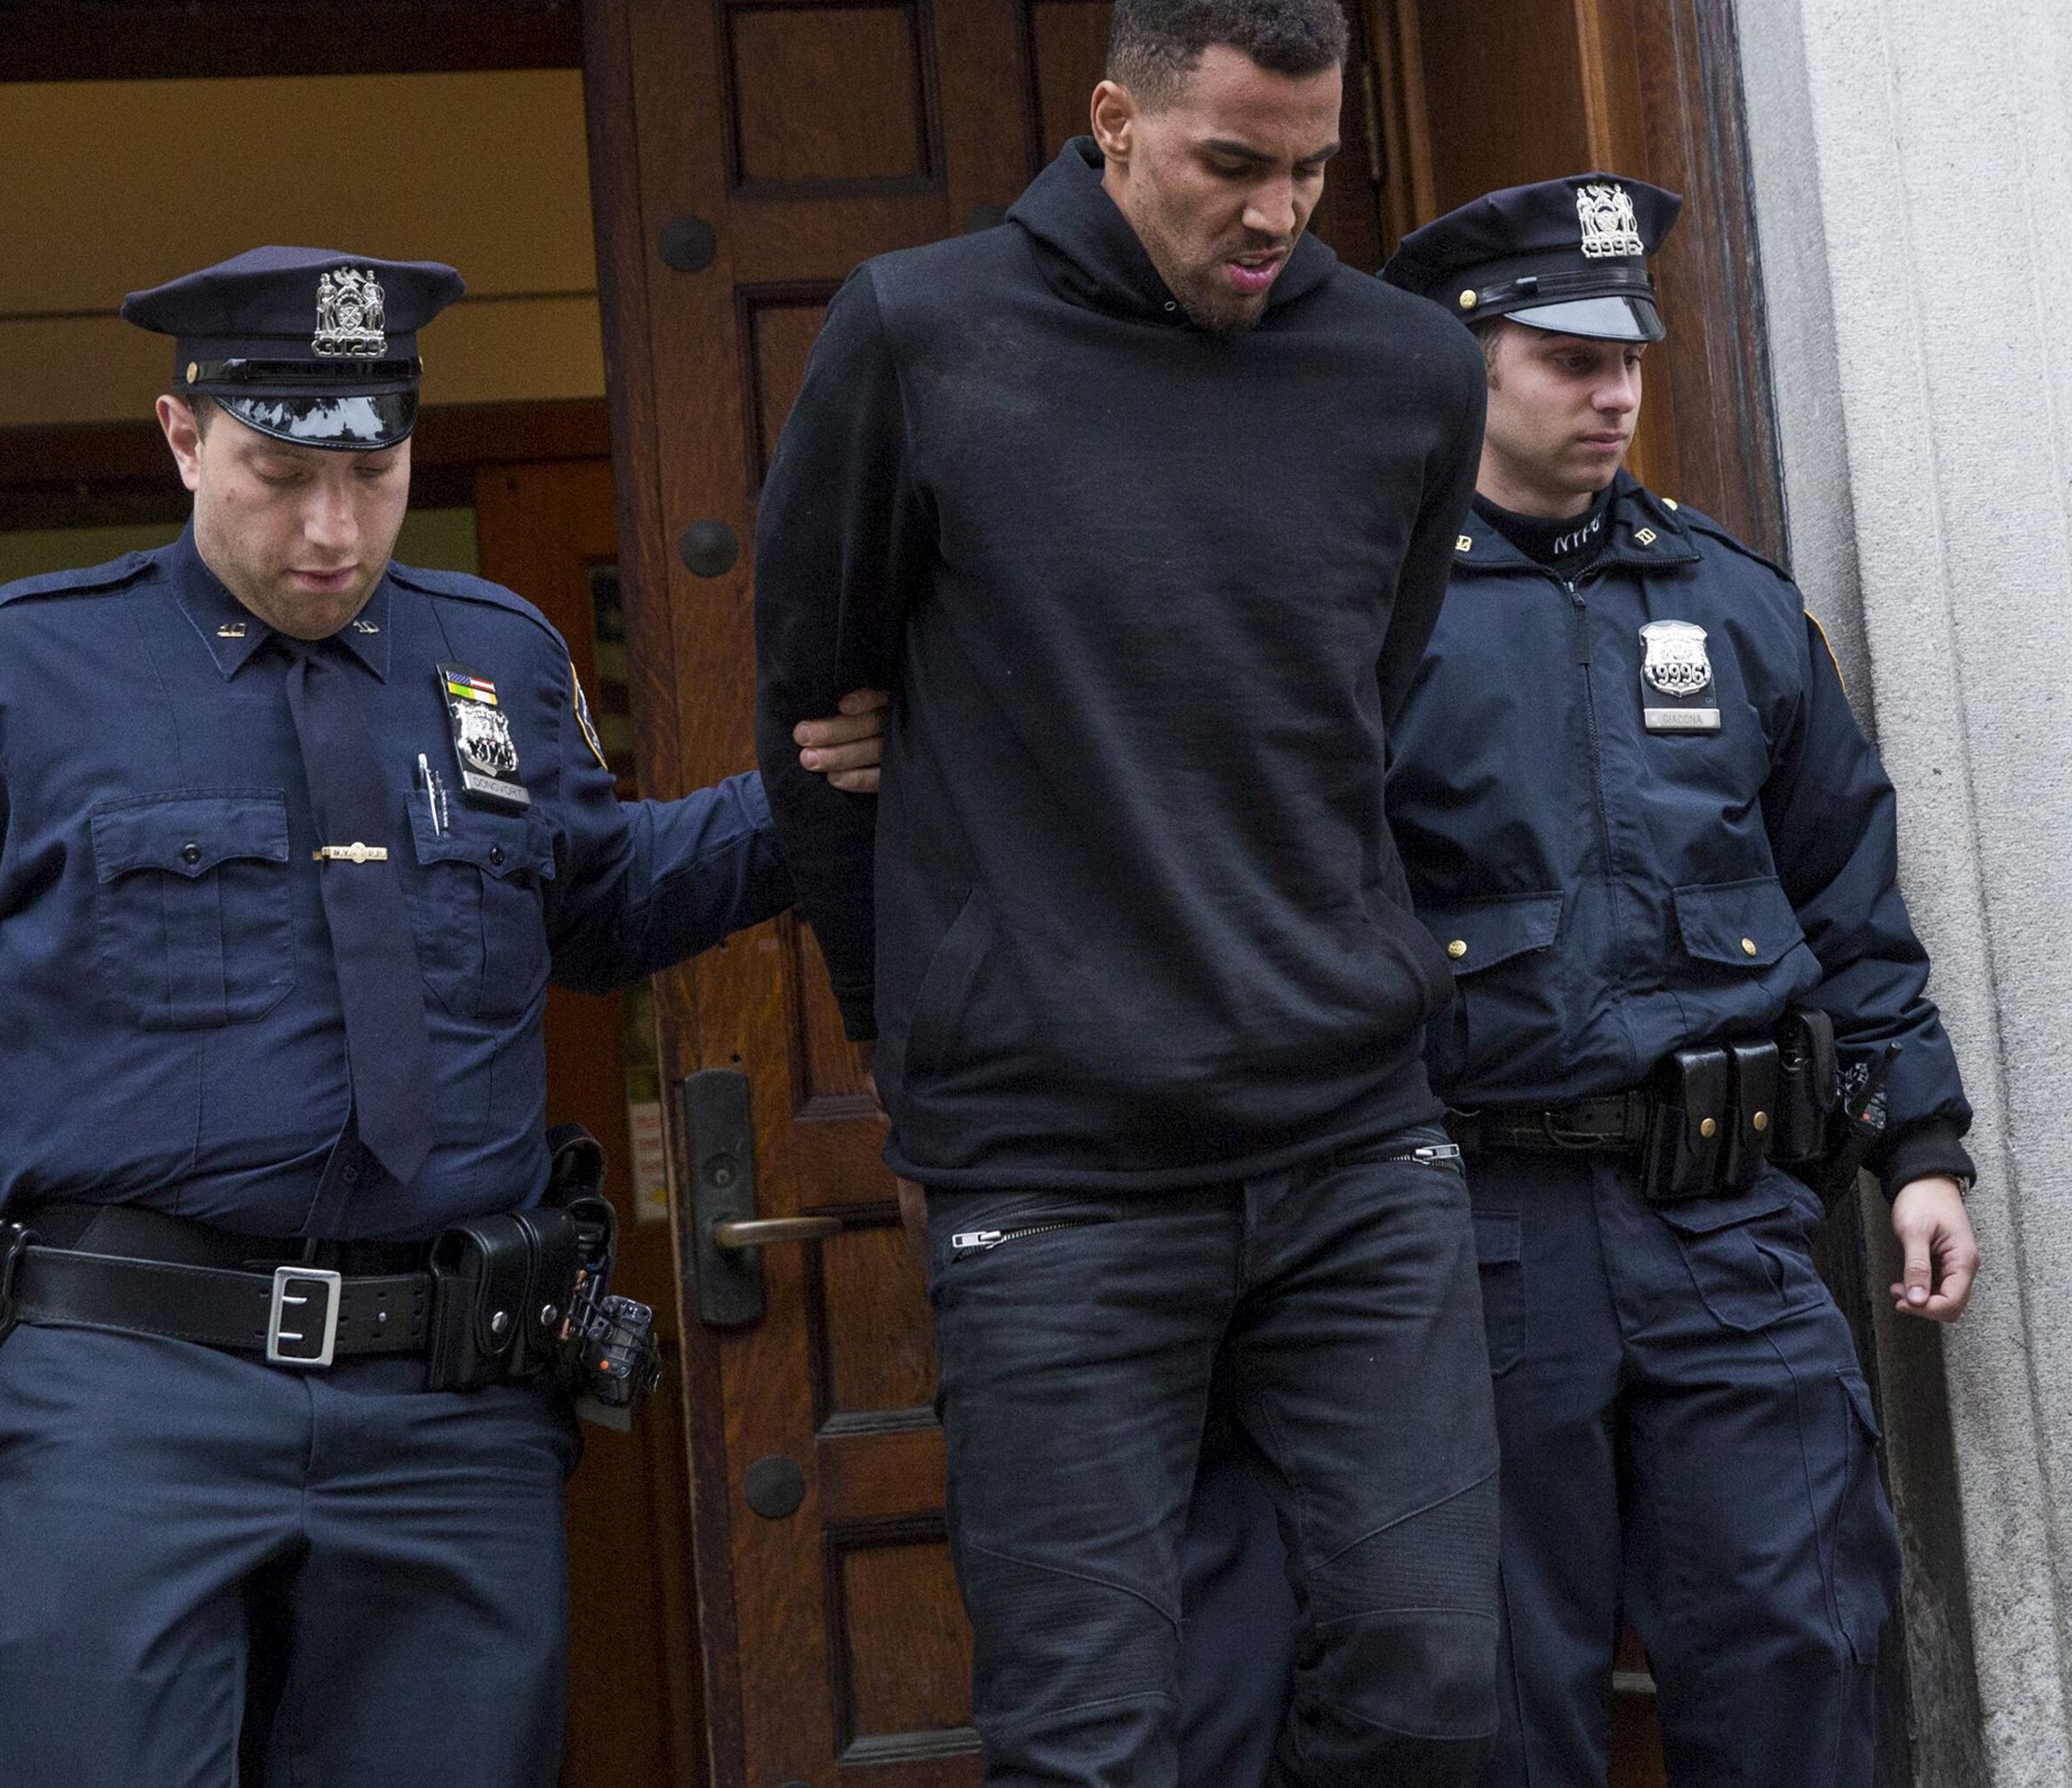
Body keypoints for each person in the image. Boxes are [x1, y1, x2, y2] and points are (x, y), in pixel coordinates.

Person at [798, 172, 1982, 1786]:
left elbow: (1846, 886)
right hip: (1478, 1218)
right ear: (1462, 358)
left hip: (1731, 1220)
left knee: (1801, 1641)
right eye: (1568, 357)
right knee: (1492, 1690)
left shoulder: (1731, 599)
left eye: (1629, 357)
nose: (1613, 391)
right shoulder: (1357, 615)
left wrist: (1919, 1142)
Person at [0, 247, 792, 1786]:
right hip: (125, 1401)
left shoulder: (498, 659)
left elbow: (604, 905)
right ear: (182, 435)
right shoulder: (20, 670)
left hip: (449, 1411)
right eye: (280, 473)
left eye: (376, 470)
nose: (333, 528)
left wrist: (825, 791)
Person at [749, 0, 1501, 1787]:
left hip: (1356, 1139)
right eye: (1231, 162)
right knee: (1084, 1735)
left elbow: (1353, 700)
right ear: (1114, 118)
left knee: (1433, 1678)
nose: (1277, 209)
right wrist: (918, 1048)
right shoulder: (919, 332)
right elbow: (814, 719)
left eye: (1312, 166)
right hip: (1055, 1169)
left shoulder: (1408, 369)